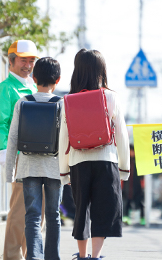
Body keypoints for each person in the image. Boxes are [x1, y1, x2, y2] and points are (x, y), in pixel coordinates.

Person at [58, 49, 130, 260]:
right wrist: (123, 168)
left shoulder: (67, 100)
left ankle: (82, 255)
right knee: (102, 210)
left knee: (82, 211)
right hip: (106, 161)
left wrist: (64, 172)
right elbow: (122, 135)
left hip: (78, 162)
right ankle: (96, 256)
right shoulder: (111, 97)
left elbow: (63, 138)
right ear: (102, 70)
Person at [6, 57, 63, 260]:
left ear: (34, 77)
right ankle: (52, 257)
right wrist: (69, 172)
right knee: (53, 216)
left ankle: (34, 257)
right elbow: (66, 141)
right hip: (55, 169)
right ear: (58, 79)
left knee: (32, 215)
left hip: (28, 168)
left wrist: (10, 173)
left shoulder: (23, 103)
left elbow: (12, 138)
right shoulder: (62, 105)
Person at [0, 40, 38, 260]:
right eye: (23, 60)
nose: (28, 65)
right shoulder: (6, 89)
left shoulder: (34, 87)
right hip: (20, 156)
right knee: (20, 210)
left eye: (31, 60)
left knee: (35, 212)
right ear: (11, 61)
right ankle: (11, 256)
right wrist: (4, 151)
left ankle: (30, 255)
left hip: (37, 156)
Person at [122, 144, 145, 225]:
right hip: (127, 186)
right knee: (126, 203)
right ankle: (126, 218)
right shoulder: (126, 160)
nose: (131, 152)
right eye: (130, 150)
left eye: (132, 151)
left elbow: (143, 176)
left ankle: (143, 218)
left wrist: (143, 186)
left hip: (137, 186)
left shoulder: (138, 161)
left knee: (141, 203)